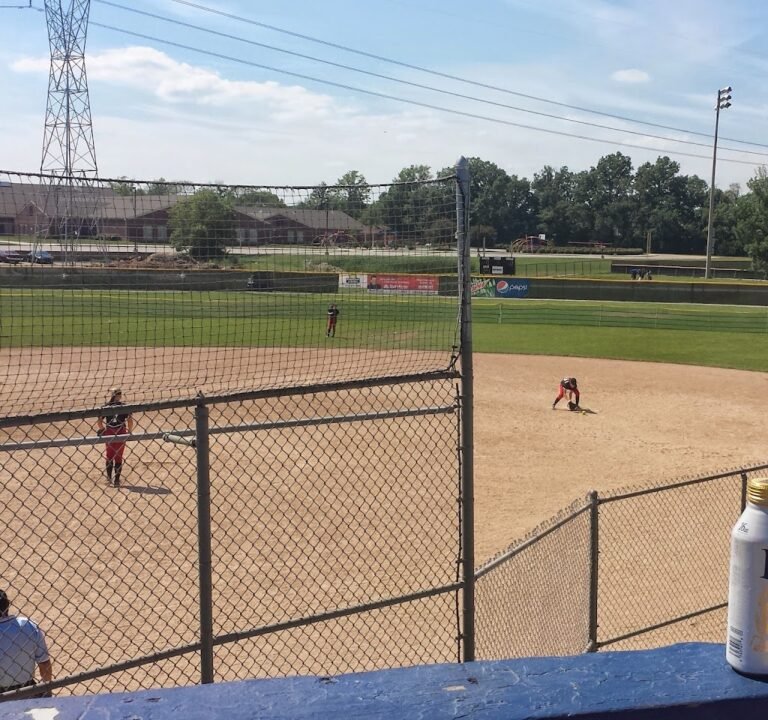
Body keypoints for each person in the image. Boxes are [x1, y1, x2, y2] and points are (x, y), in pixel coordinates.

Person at [0, 589, 53, 697]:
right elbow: (44, 664)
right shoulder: (28, 625)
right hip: (29, 690)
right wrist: (47, 692)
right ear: (8, 605)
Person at [97, 387, 135, 488]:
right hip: (121, 431)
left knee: (109, 455)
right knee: (118, 456)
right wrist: (129, 431)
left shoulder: (106, 406)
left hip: (109, 431)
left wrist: (102, 429)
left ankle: (109, 479)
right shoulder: (124, 406)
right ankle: (117, 481)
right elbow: (130, 420)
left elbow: (99, 421)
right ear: (120, 395)